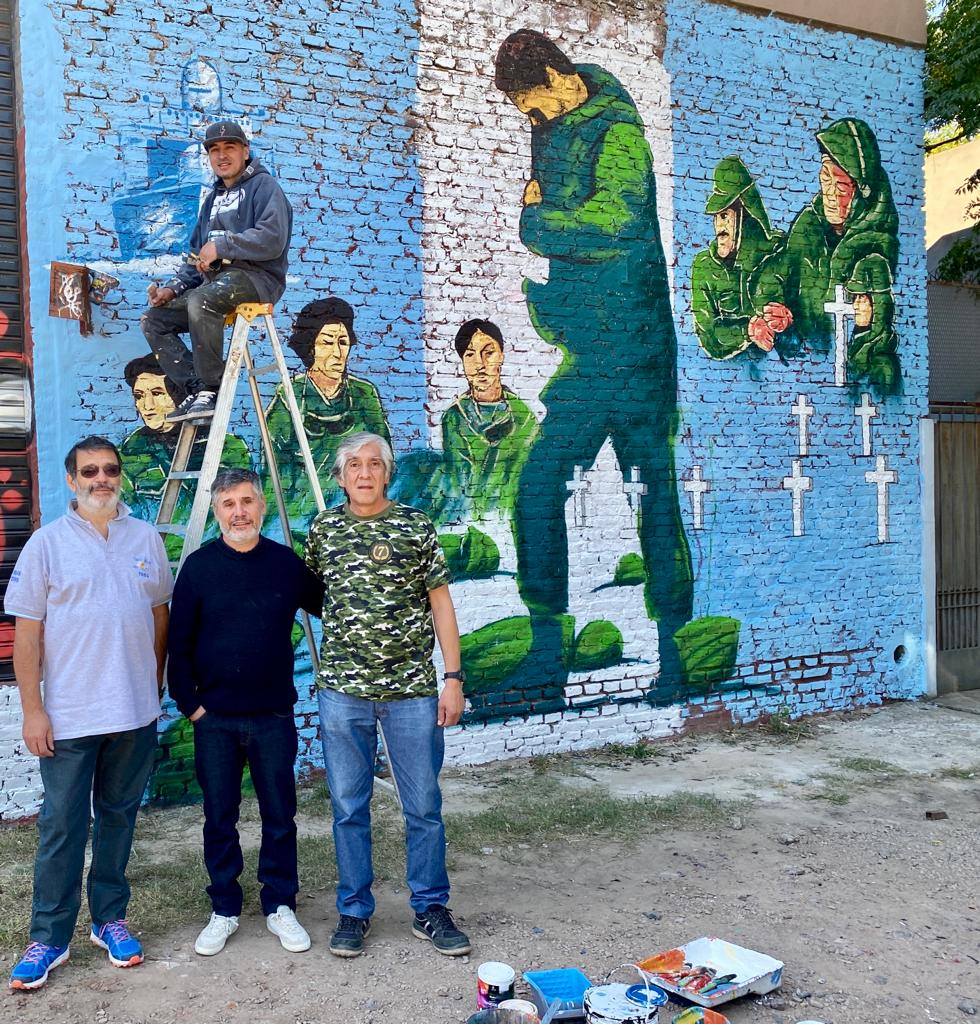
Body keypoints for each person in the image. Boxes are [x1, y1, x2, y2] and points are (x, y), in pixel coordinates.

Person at [494, 29, 693, 701]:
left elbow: (616, 222)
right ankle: (548, 654)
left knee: (655, 500)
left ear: (559, 77)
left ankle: (676, 654)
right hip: (588, 355)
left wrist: (538, 224)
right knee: (539, 485)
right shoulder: (558, 132)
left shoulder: (619, 134)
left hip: (635, 353)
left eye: (533, 104)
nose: (533, 119)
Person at [3, 436, 172, 991]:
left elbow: (158, 615)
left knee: (119, 819)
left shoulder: (145, 537)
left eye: (110, 470)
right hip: (71, 716)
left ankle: (109, 921)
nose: (102, 478)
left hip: (134, 715)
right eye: (90, 471)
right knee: (61, 828)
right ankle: (48, 938)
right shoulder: (46, 545)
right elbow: (26, 635)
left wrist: (153, 684)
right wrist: (33, 710)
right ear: (72, 480)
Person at [303, 432, 471, 959]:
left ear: (387, 472)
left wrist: (453, 677)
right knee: (348, 806)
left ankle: (430, 907)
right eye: (354, 465)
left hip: (413, 693)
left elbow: (441, 604)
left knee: (423, 805)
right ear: (339, 477)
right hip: (343, 693)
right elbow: (310, 594)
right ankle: (354, 911)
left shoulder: (415, 526)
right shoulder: (324, 529)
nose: (364, 473)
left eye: (374, 464)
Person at [166, 468, 325, 957]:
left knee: (280, 816)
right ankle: (225, 908)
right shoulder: (198, 568)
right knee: (220, 816)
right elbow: (178, 643)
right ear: (217, 511)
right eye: (229, 503)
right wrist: (190, 706)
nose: (239, 511)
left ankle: (280, 904)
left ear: (262, 508)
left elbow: (333, 607)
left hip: (274, 715)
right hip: (213, 719)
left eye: (248, 501)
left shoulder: (285, 564)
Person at [140, 119, 293, 423]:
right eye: (215, 150)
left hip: (256, 279)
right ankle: (198, 390)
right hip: (217, 284)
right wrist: (173, 288)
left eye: (230, 147)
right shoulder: (211, 200)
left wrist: (223, 246)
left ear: (245, 151)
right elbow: (196, 256)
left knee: (203, 301)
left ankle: (213, 387)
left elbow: (273, 238)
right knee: (154, 320)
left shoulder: (264, 187)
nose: (222, 156)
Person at [264, 297, 391, 540]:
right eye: (327, 342)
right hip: (304, 512)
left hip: (359, 509)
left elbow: (386, 457)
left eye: (343, 342)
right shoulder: (290, 396)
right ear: (310, 346)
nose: (337, 353)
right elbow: (275, 471)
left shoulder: (364, 394)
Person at [776, 117, 899, 357]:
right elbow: (780, 270)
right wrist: (772, 304)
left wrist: (863, 327)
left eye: (841, 185)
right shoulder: (808, 225)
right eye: (825, 178)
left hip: (843, 371)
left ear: (861, 190)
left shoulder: (874, 254)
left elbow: (880, 349)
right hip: (803, 363)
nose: (829, 194)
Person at [117, 355, 251, 560]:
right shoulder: (128, 453)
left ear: (181, 395)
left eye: (157, 393)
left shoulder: (226, 448)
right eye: (139, 396)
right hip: (149, 561)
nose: (147, 405)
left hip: (213, 559)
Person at [691, 156, 793, 361]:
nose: (719, 227)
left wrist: (790, 318)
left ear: (746, 213)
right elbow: (709, 335)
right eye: (717, 217)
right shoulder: (705, 267)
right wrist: (747, 330)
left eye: (726, 216)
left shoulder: (780, 252)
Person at [440, 319, 538, 522]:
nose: (480, 365)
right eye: (469, 355)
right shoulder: (454, 418)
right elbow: (458, 482)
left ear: (501, 356)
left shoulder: (523, 418)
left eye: (488, 353)